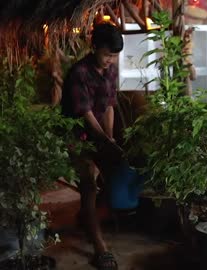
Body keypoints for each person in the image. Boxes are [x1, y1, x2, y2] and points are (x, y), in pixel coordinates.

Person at [61, 23, 124, 270]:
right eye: (107, 54)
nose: (110, 60)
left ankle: (86, 218)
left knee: (112, 179)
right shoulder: (79, 73)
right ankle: (100, 247)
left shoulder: (110, 71)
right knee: (88, 183)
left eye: (114, 56)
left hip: (99, 135)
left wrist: (109, 138)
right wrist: (103, 139)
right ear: (94, 46)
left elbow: (108, 105)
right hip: (77, 137)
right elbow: (85, 113)